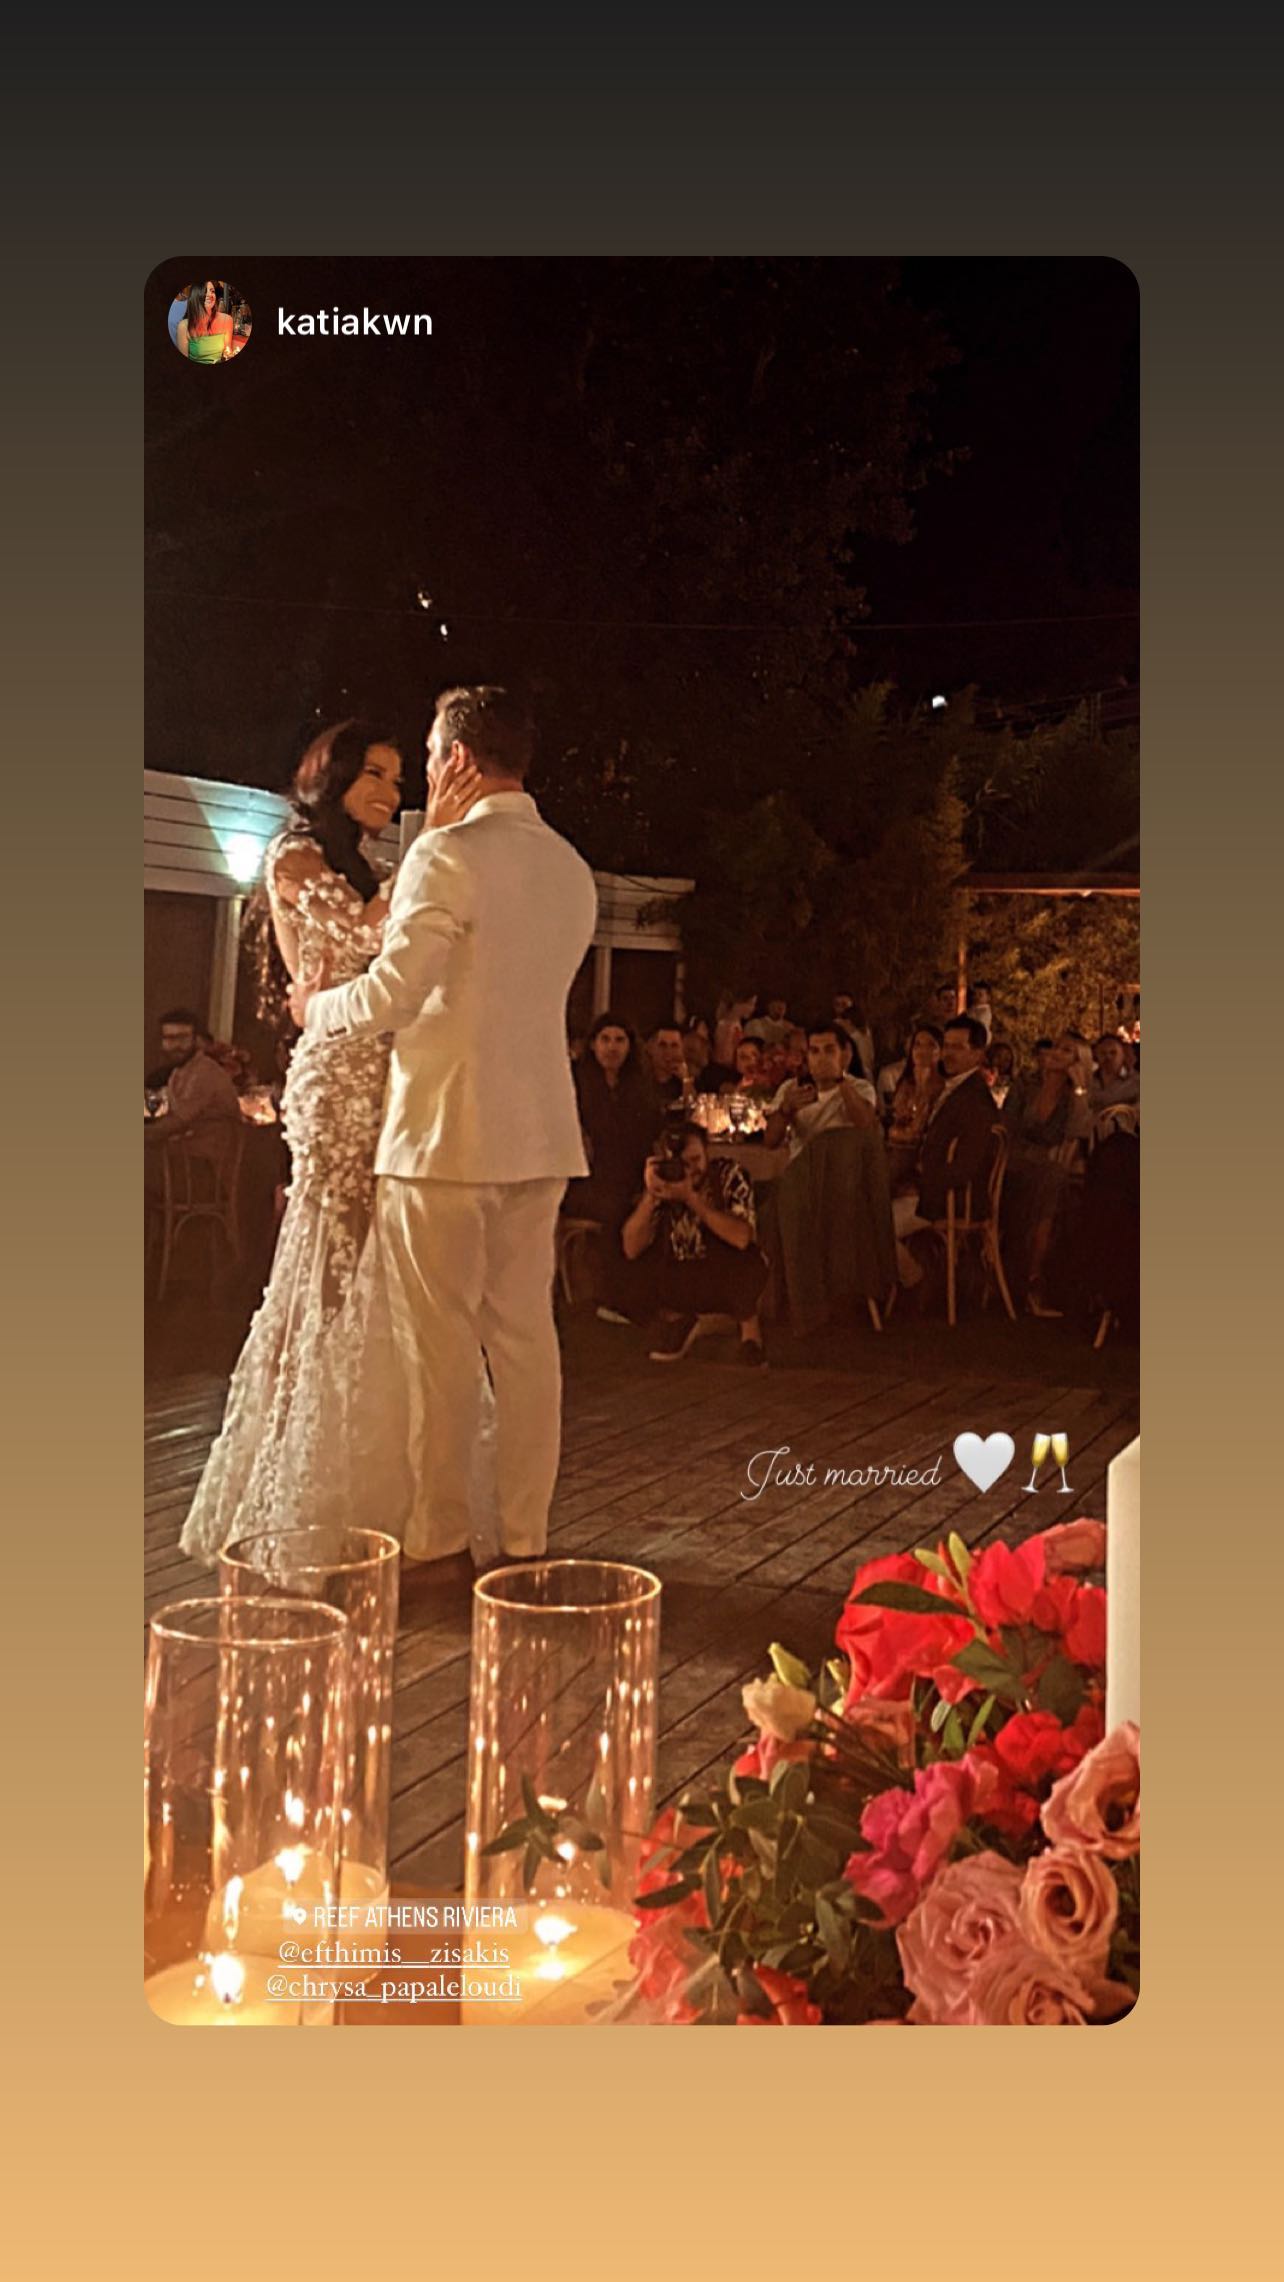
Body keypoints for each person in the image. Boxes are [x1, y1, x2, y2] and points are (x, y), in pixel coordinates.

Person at [291, 685, 598, 1572]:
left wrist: (316, 1009)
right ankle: (526, 1538)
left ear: (458, 756)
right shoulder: (570, 867)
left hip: (441, 1135)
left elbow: (395, 996)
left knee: (441, 1351)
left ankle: (437, 1537)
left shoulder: (446, 853)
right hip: (540, 1132)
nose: (426, 769)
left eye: (430, 752)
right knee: (527, 1343)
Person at [618, 1121, 768, 1366]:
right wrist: (651, 1196)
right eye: (683, 1164)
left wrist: (691, 1199)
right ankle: (682, 1323)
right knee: (640, 1265)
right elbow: (630, 1248)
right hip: (683, 1273)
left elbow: (742, 1237)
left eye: (696, 1160)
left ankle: (750, 1339)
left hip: (727, 1270)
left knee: (741, 1257)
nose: (692, 1170)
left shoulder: (728, 1175)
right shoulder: (665, 1183)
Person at [891, 1016, 998, 1288]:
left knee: (871, 1224)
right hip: (936, 1192)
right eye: (947, 1046)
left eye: (958, 1047)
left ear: (978, 1054)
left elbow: (965, 1167)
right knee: (865, 1209)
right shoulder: (955, 1089)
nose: (948, 1054)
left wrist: (920, 1184)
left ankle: (914, 1281)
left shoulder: (975, 1100)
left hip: (952, 1199)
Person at [1002, 1029, 1094, 1313]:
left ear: (1078, 1061)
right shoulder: (1026, 1083)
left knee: (1052, 1180)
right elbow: (1007, 1125)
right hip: (1015, 1158)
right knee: (1053, 1180)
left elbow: (1077, 1132)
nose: (1056, 1053)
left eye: (1067, 1051)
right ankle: (1033, 1280)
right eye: (1057, 1047)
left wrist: (1079, 1091)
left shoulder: (1072, 1095)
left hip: (1047, 1167)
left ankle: (1032, 1276)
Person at [565, 1012, 659, 1232]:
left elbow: (648, 1133)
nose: (612, 1047)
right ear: (593, 1045)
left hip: (628, 1175)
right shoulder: (576, 1084)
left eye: (619, 1040)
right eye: (605, 1039)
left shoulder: (640, 1087)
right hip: (587, 1176)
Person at [763, 1023, 878, 1160]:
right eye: (814, 1051)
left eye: (829, 1051)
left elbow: (864, 1122)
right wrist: (785, 1110)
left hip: (844, 1167)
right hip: (804, 1166)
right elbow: (770, 1142)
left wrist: (840, 1079)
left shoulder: (860, 1087)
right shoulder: (790, 1087)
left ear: (844, 1054)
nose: (821, 1058)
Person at [885, 1025, 945, 1189]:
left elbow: (917, 1130)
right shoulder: (906, 1085)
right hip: (898, 1148)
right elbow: (897, 1121)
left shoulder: (943, 1088)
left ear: (941, 1052)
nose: (922, 1050)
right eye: (917, 1044)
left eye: (930, 1045)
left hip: (924, 1154)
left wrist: (923, 1087)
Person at [176, 278, 234, 364]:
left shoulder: (227, 320)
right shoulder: (183, 326)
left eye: (212, 291)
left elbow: (227, 352)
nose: (210, 294)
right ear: (195, 295)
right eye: (205, 291)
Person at [1091, 1033, 1140, 1113]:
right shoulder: (1089, 1081)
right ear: (1096, 1055)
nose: (1108, 1057)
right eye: (1103, 1053)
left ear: (1123, 1055)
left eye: (1113, 1053)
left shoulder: (1136, 1082)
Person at [646, 1022, 689, 1104]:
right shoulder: (639, 1080)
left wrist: (686, 1081)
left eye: (674, 1045)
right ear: (651, 1048)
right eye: (662, 1045)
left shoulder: (689, 1081)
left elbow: (693, 1108)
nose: (668, 1051)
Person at [713, 991, 757, 1068]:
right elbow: (724, 1057)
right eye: (751, 1004)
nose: (753, 1008)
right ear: (739, 1004)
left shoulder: (736, 1025)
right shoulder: (726, 1026)